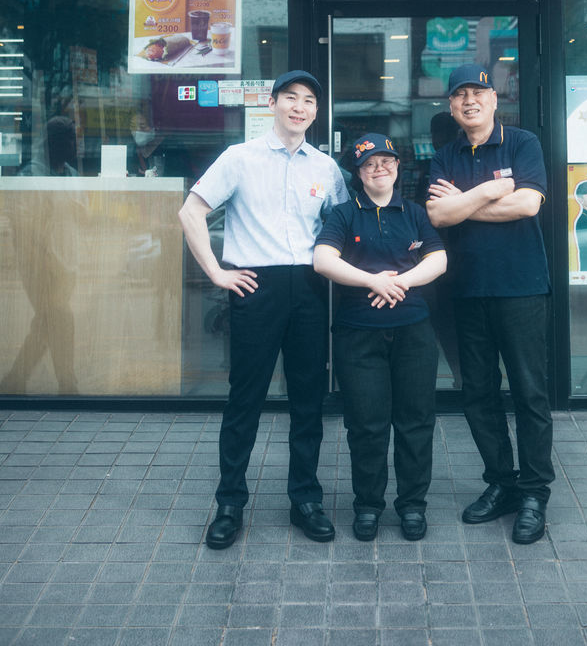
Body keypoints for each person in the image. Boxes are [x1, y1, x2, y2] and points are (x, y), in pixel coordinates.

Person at [178, 70, 348, 549]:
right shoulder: (240, 158)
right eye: (290, 97)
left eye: (309, 100)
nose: (299, 106)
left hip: (310, 288)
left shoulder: (326, 167)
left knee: (308, 401)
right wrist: (217, 272)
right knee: (244, 400)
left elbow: (340, 228)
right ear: (273, 104)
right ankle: (230, 504)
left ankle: (305, 500)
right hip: (255, 286)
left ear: (316, 111)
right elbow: (191, 211)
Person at [426, 63, 554, 545]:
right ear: (451, 106)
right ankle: (500, 483)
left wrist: (466, 205)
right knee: (477, 393)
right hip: (466, 290)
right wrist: (489, 190)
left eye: (478, 91)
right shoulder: (445, 156)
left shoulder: (523, 144)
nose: (469, 100)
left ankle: (534, 492)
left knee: (529, 393)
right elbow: (439, 215)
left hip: (520, 287)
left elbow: (527, 205)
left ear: (494, 98)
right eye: (459, 94)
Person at [314, 133, 446, 541]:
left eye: (386, 161)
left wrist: (399, 284)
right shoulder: (342, 214)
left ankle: (412, 505)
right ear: (358, 172)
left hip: (413, 333)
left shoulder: (414, 212)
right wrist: (374, 280)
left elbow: (438, 259)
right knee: (367, 425)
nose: (379, 169)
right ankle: (368, 505)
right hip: (359, 335)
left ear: (397, 168)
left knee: (415, 422)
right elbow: (322, 260)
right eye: (370, 164)